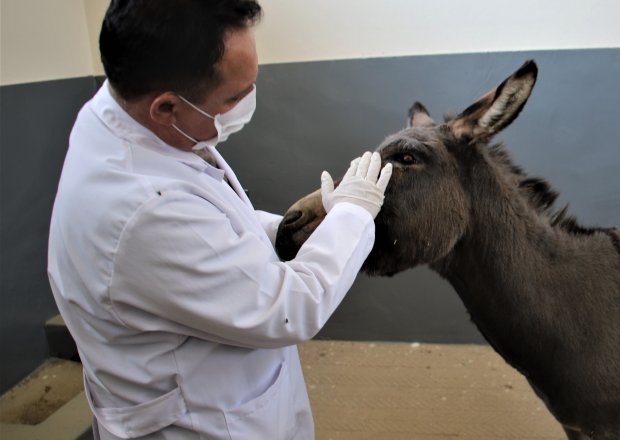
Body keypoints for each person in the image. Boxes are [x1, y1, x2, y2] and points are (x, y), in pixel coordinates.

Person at [46, 0, 391, 438]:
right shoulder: (143, 209)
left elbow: (207, 224)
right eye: (233, 96)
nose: (247, 101)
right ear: (166, 108)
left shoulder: (116, 111)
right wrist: (354, 214)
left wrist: (281, 232)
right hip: (200, 422)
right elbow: (289, 309)